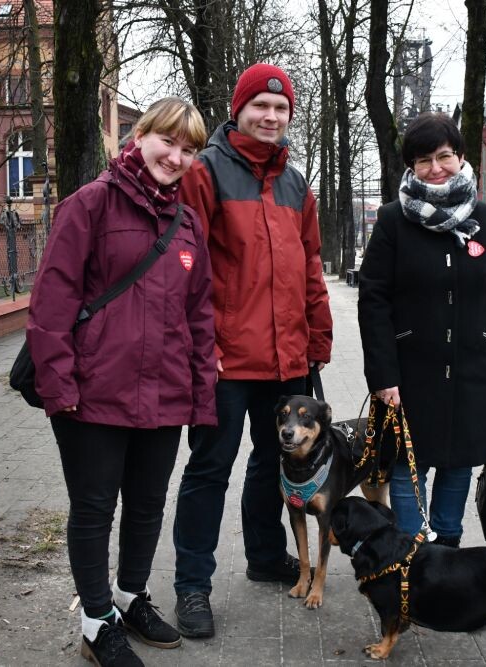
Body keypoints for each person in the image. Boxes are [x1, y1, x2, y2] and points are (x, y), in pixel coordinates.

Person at [26, 97, 216, 667]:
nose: (177, 156)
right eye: (169, 142)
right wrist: (59, 390)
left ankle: (131, 597)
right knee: (93, 509)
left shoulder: (187, 224)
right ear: (140, 136)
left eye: (189, 150)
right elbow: (51, 305)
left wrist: (202, 396)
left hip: (163, 396)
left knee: (147, 504)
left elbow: (201, 316)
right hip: (92, 396)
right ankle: (95, 619)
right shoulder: (90, 205)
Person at [171, 63, 333, 639]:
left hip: (287, 357)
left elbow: (311, 267)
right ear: (238, 110)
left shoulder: (295, 184)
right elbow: (183, 264)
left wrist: (318, 339)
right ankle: (192, 585)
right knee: (211, 467)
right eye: (260, 107)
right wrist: (200, 342)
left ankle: (265, 557)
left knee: (276, 464)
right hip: (224, 358)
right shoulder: (207, 172)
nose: (270, 117)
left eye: (281, 108)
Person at [357, 111, 486, 548]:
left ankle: (447, 547)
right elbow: (373, 301)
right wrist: (383, 376)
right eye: (424, 159)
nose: (435, 168)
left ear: (461, 157)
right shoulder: (393, 221)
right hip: (412, 370)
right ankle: (413, 552)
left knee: (459, 462)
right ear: (411, 166)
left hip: (475, 368)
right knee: (409, 463)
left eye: (444, 156)